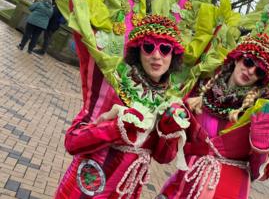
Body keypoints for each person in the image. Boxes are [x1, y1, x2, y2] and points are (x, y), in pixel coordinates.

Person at [55, 15, 190, 198]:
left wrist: (170, 129)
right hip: (89, 186)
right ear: (138, 51)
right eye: (149, 47)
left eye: (165, 49)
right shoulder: (114, 86)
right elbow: (73, 141)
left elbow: (162, 157)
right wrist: (119, 127)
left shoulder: (170, 101)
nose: (156, 56)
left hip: (126, 190)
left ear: (173, 55)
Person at [158, 34, 269, 199]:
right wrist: (171, 121)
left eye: (259, 71)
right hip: (186, 183)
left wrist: (261, 146)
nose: (251, 71)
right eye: (248, 62)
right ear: (237, 59)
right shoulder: (201, 94)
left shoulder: (259, 111)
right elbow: (171, 149)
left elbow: (258, 173)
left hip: (228, 190)